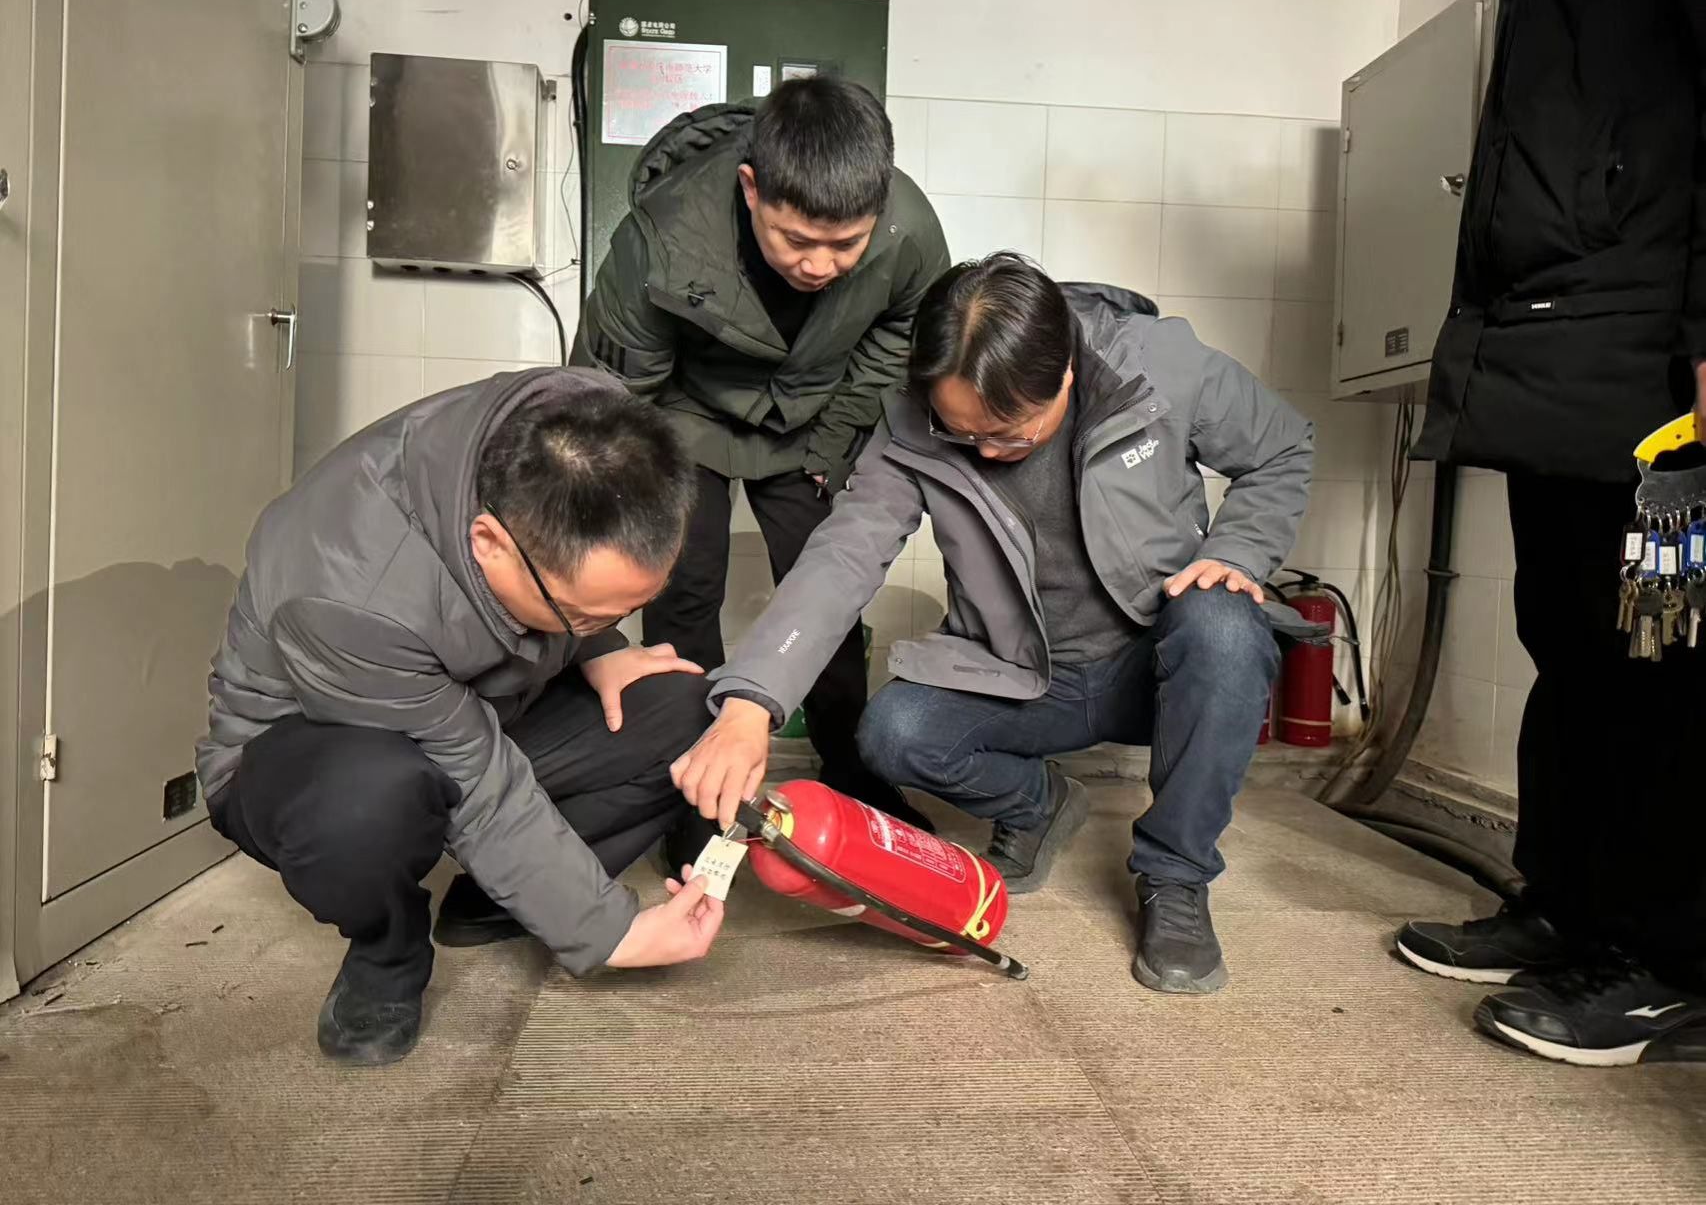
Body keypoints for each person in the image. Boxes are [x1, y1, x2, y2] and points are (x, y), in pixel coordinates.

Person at [671, 254, 1317, 994]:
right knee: (893, 733)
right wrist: (751, 701)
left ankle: (1176, 877)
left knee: (1227, 624)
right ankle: (1039, 806)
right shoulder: (910, 421)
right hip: (1027, 678)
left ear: (1065, 375)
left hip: (1156, 665)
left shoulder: (1159, 364)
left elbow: (1283, 447)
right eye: (961, 432)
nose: (982, 452)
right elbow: (843, 557)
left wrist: (1236, 552)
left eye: (1007, 434)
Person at [197, 370, 727, 1066]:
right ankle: (386, 950)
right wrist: (609, 931)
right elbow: (475, 777)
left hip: (480, 707)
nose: (609, 623)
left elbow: (570, 583)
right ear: (489, 542)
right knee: (368, 800)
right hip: (315, 755)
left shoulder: (593, 425)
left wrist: (597, 645)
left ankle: (495, 900)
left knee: (684, 705)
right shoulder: (352, 595)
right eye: (586, 613)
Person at [1400, 0, 1706, 1065]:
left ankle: (1671, 960)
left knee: (1663, 653)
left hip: (1655, 366)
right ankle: (1569, 905)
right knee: (1568, 635)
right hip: (1558, 339)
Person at [573, 75, 950, 830]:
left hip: (813, 419)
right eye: (796, 240)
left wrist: (837, 437)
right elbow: (609, 401)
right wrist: (637, 492)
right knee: (684, 590)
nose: (820, 265)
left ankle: (850, 767)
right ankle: (689, 784)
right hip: (682, 416)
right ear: (752, 189)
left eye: (846, 245)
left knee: (826, 590)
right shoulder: (660, 238)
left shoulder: (908, 230)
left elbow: (902, 335)